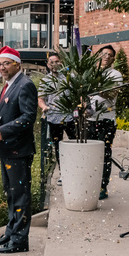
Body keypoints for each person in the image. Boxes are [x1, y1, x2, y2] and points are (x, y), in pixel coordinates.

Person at [0, 46, 38, 254]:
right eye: (0, 64)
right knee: (11, 195)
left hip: (19, 151)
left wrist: (3, 130)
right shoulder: (8, 85)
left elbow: (28, 118)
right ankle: (11, 232)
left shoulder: (25, 85)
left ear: (17, 64)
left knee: (20, 196)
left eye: (6, 63)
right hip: (7, 150)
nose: (2, 67)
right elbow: (7, 115)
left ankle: (19, 240)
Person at [87, 45, 123, 200]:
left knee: (104, 154)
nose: (106, 56)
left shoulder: (115, 74)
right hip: (89, 119)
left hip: (106, 120)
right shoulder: (90, 73)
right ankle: (89, 184)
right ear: (98, 56)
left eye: (110, 55)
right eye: (104, 54)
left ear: (113, 59)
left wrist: (96, 85)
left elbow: (112, 93)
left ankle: (102, 186)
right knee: (89, 154)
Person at [38, 53, 75, 183]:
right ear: (48, 65)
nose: (54, 64)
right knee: (58, 147)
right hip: (53, 118)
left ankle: (76, 170)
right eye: (51, 62)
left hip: (70, 117)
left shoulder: (69, 78)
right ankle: (63, 174)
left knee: (75, 144)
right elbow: (41, 99)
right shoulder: (45, 80)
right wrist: (44, 107)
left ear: (61, 63)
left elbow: (77, 95)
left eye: (57, 61)